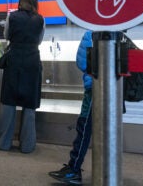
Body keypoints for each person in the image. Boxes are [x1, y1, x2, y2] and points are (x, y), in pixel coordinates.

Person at [0, 0, 45, 154]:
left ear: (20, 0)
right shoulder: (40, 19)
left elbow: (6, 35)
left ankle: (4, 143)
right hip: (32, 60)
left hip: (14, 60)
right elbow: (39, 40)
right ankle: (27, 145)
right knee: (29, 104)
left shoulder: (12, 16)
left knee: (9, 102)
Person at [48, 30, 92, 184]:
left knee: (84, 129)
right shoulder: (119, 30)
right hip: (113, 92)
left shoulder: (90, 33)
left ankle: (74, 170)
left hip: (94, 89)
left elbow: (82, 63)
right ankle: (109, 169)